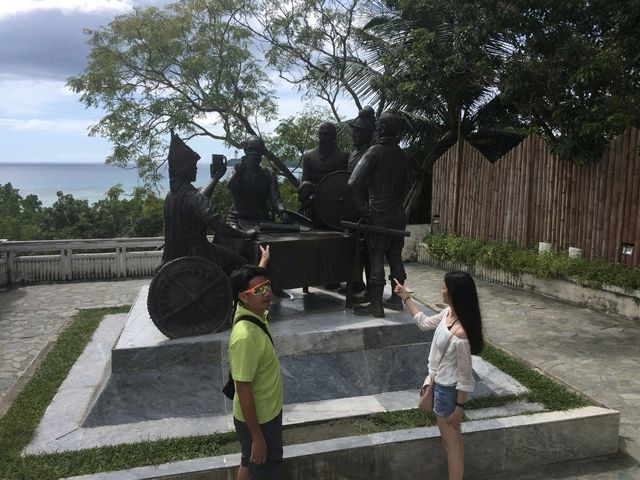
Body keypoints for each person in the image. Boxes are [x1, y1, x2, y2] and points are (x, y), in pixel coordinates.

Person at [393, 272, 484, 480]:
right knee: (452, 444)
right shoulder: (447, 314)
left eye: (443, 287)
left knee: (451, 447)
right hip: (441, 386)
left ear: (453, 293)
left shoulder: (461, 334)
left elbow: (466, 377)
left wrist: (459, 408)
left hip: (448, 392)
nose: (441, 290)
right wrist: (405, 297)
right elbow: (423, 322)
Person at [161, 131, 255, 273]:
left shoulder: (170, 196)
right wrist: (244, 234)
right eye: (193, 165)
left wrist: (215, 178)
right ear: (186, 170)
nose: (196, 168)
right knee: (240, 263)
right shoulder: (193, 197)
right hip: (198, 254)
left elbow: (199, 198)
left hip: (174, 255)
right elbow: (219, 227)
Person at [348, 111, 409, 317]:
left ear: (381, 129)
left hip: (379, 213)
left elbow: (353, 182)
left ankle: (376, 305)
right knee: (395, 257)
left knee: (376, 257)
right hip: (398, 213)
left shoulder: (375, 152)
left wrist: (363, 208)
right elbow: (406, 186)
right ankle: (396, 299)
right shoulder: (402, 155)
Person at [228, 264, 283, 480]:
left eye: (268, 286)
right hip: (260, 420)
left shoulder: (253, 312)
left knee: (248, 461)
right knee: (266, 468)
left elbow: (254, 288)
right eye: (260, 290)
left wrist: (261, 265)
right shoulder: (246, 336)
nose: (267, 292)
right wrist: (258, 438)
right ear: (243, 296)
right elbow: (242, 390)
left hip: (266, 410)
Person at [345, 106, 376, 300]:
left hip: (366, 210)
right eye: (354, 130)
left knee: (369, 254)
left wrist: (366, 208)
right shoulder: (353, 153)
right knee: (355, 250)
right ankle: (356, 284)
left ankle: (372, 291)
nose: (355, 134)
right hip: (352, 210)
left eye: (359, 131)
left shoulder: (371, 153)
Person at [227, 135, 290, 230]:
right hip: (237, 218)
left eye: (257, 150)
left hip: (262, 219)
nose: (253, 153)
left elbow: (275, 199)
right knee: (237, 237)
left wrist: (282, 211)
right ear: (245, 151)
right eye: (250, 149)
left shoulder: (268, 174)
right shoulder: (236, 170)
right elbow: (231, 188)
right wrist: (240, 172)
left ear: (262, 152)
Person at [298, 121, 348, 227]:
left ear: (334, 136)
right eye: (321, 134)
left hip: (332, 203)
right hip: (312, 203)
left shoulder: (342, 157)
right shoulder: (309, 156)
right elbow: (305, 182)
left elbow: (340, 184)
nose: (323, 137)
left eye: (327, 134)